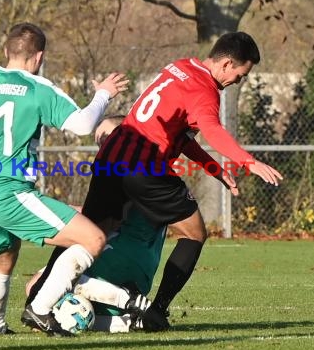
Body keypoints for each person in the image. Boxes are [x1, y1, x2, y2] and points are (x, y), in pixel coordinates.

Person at [0, 22, 130, 336]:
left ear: (7, 51)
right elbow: (82, 125)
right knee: (94, 239)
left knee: (4, 258)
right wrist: (103, 94)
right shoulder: (38, 89)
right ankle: (40, 309)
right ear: (39, 57)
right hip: (11, 190)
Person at [80, 31, 283, 331]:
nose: (237, 82)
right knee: (194, 233)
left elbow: (180, 135)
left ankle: (44, 297)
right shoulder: (205, 90)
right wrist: (247, 161)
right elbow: (212, 131)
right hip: (144, 166)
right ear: (226, 64)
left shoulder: (180, 68)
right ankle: (155, 311)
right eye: (239, 76)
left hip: (112, 159)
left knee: (88, 234)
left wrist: (212, 166)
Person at [26, 115, 239, 333]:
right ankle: (130, 321)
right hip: (130, 275)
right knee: (46, 296)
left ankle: (130, 302)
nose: (103, 146)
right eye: (100, 141)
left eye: (108, 139)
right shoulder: (140, 174)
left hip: (121, 269)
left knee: (39, 284)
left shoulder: (128, 172)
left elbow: (95, 217)